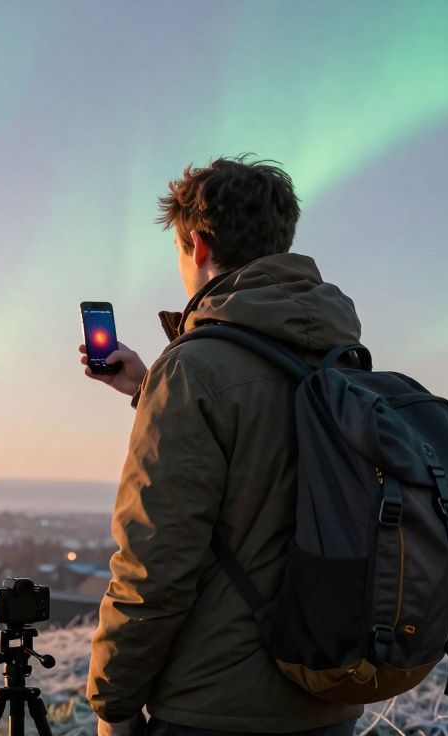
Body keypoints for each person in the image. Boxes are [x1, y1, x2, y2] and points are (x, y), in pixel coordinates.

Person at [79, 156, 364, 736]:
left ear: (199, 244)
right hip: (327, 694)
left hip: (213, 708)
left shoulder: (194, 371)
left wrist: (113, 702)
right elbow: (268, 450)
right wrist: (146, 388)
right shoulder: (338, 358)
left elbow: (154, 565)